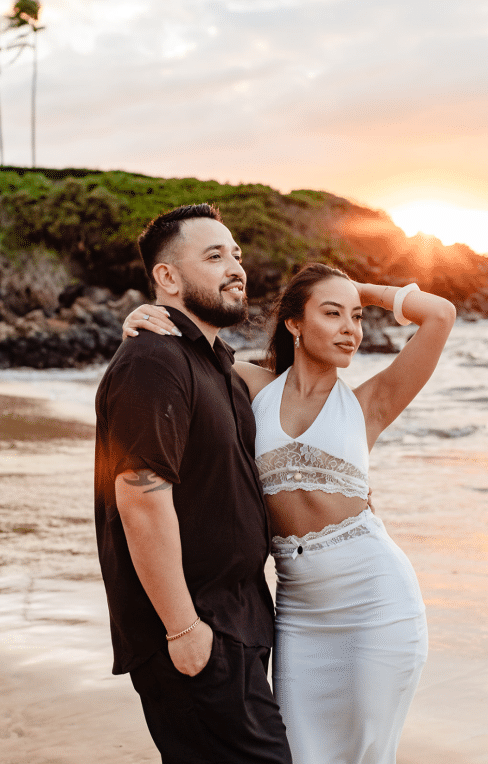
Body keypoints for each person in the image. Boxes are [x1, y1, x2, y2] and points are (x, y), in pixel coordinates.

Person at [125, 259, 457, 764]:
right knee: (297, 755)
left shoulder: (370, 403)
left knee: (367, 754)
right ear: (294, 323)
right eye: (332, 314)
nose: (350, 329)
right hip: (300, 613)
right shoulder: (250, 388)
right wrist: (137, 323)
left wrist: (359, 290)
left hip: (377, 603)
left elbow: (440, 315)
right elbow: (174, 356)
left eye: (357, 318)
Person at [94, 203, 292, 763]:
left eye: (236, 254)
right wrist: (184, 630)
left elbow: (320, 361)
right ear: (168, 277)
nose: (235, 267)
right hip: (196, 631)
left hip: (238, 623)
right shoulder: (154, 361)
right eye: (213, 255)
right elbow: (139, 496)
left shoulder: (218, 367)